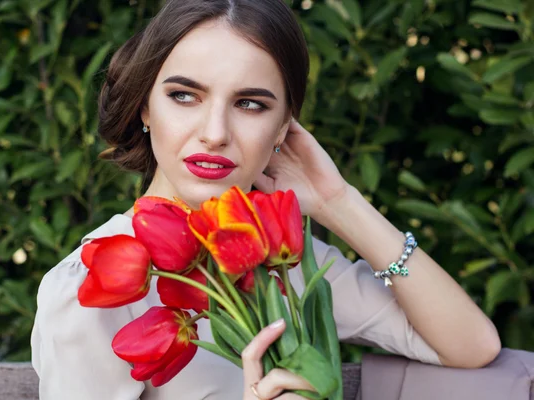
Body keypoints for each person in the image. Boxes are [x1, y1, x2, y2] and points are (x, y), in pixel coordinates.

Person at [31, 1, 502, 399]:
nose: (215, 133)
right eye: (184, 96)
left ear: (283, 129)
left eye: (250, 104)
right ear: (145, 107)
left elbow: (470, 345)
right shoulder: (92, 288)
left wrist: (339, 202)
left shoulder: (281, 259)